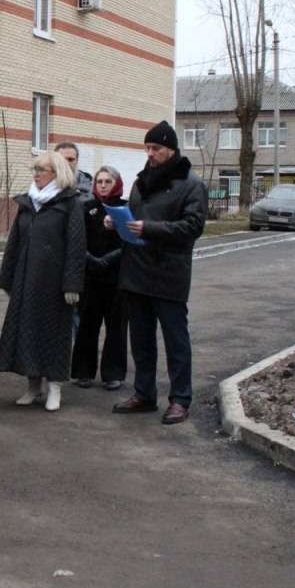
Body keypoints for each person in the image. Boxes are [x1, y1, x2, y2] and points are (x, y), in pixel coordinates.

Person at [108, 120, 208, 424]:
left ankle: (180, 399)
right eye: (148, 147)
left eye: (156, 148)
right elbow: (136, 217)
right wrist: (117, 223)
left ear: (172, 150)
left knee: (176, 342)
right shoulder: (141, 182)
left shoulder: (191, 184)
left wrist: (149, 228)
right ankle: (144, 393)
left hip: (169, 274)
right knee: (140, 340)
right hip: (136, 272)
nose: (150, 153)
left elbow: (193, 227)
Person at [0, 151, 86, 411]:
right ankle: (32, 387)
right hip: (26, 281)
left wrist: (72, 284)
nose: (35, 174)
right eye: (34, 169)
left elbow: (76, 247)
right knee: (27, 332)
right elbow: (14, 243)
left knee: (53, 335)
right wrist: (8, 278)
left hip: (54, 285)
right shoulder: (28, 202)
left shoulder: (69, 203)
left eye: (41, 170)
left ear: (57, 173)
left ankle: (54, 388)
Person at [71, 166, 129, 391]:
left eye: (108, 181)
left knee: (116, 327)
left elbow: (129, 243)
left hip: (116, 278)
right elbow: (77, 240)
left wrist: (109, 259)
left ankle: (113, 373)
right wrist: (92, 260)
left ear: (117, 184)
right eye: (100, 181)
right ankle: (83, 372)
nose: (103, 185)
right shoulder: (86, 208)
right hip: (91, 276)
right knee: (87, 325)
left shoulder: (125, 208)